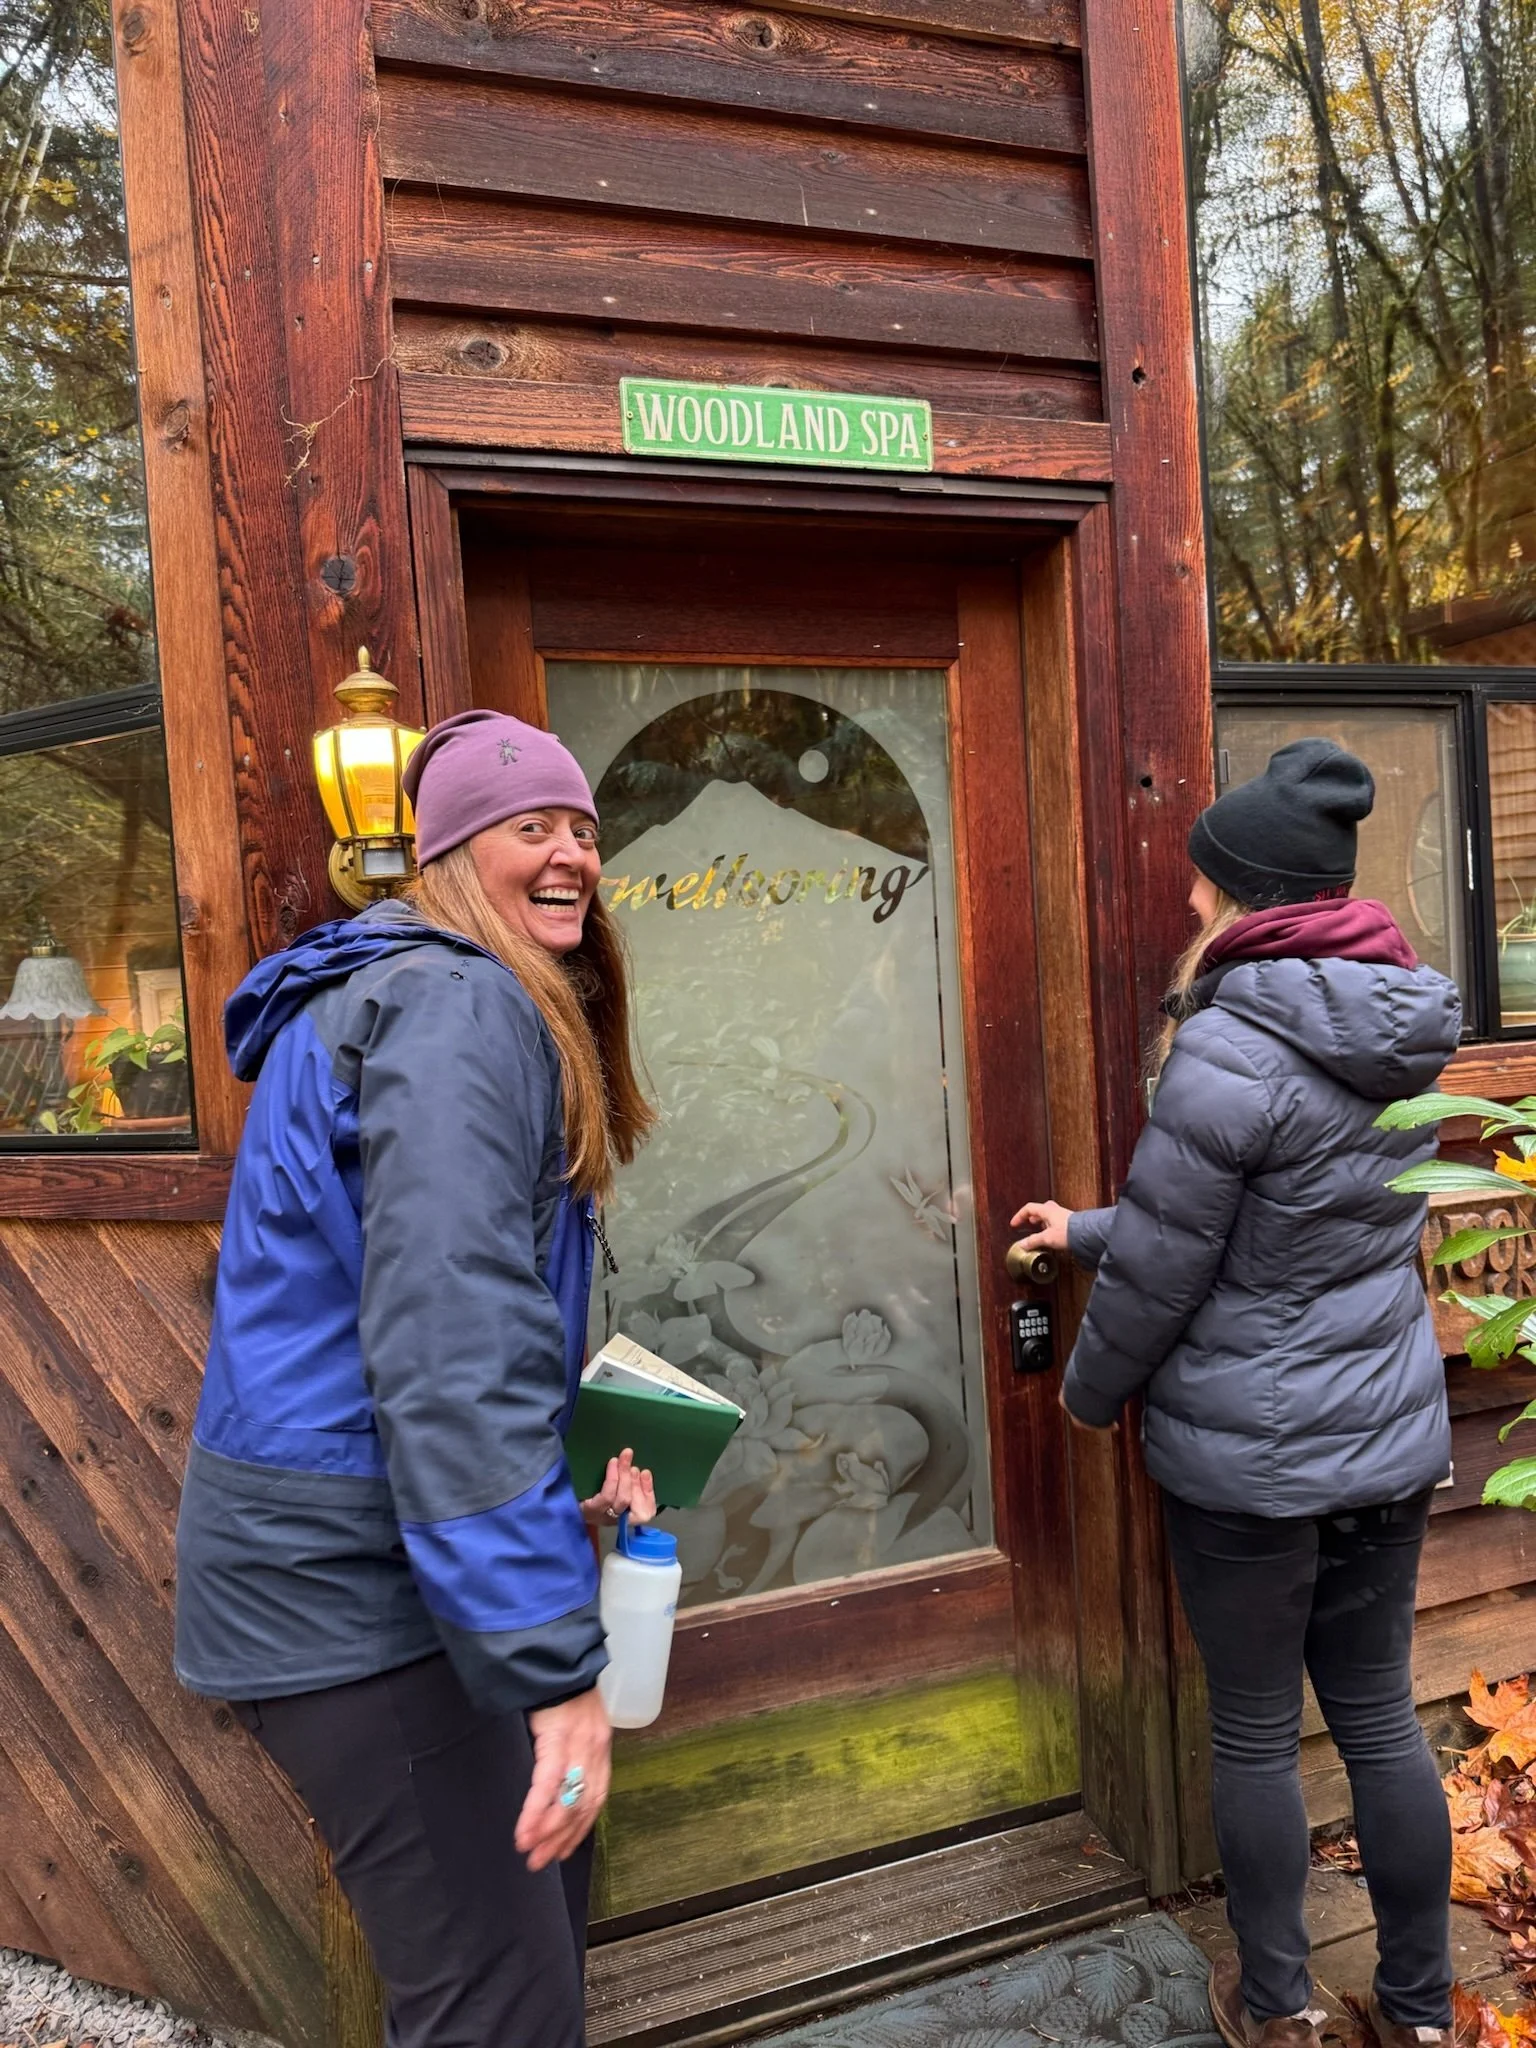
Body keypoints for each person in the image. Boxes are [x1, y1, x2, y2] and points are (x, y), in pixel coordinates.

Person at [174, 708, 656, 2048]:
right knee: (496, 2010)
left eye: (580, 828)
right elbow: (449, 1346)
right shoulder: (452, 1006)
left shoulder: (415, 1000)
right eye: (528, 829)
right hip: (342, 1596)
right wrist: (560, 1669)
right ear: (448, 856)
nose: (568, 856)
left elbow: (395, 1334)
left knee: (530, 1947)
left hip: (383, 1564)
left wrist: (553, 1523)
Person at [1012, 740, 1462, 2048]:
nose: (1190, 906)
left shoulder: (1227, 1044)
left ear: (1256, 899)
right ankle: (1425, 2016)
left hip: (1252, 1466)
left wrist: (1088, 1395)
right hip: (1383, 1441)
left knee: (1259, 1735)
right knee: (1381, 1719)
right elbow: (1275, 1214)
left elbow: (1171, 1267)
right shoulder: (1405, 1030)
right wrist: (1086, 1226)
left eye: (1206, 885)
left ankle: (1282, 2011)